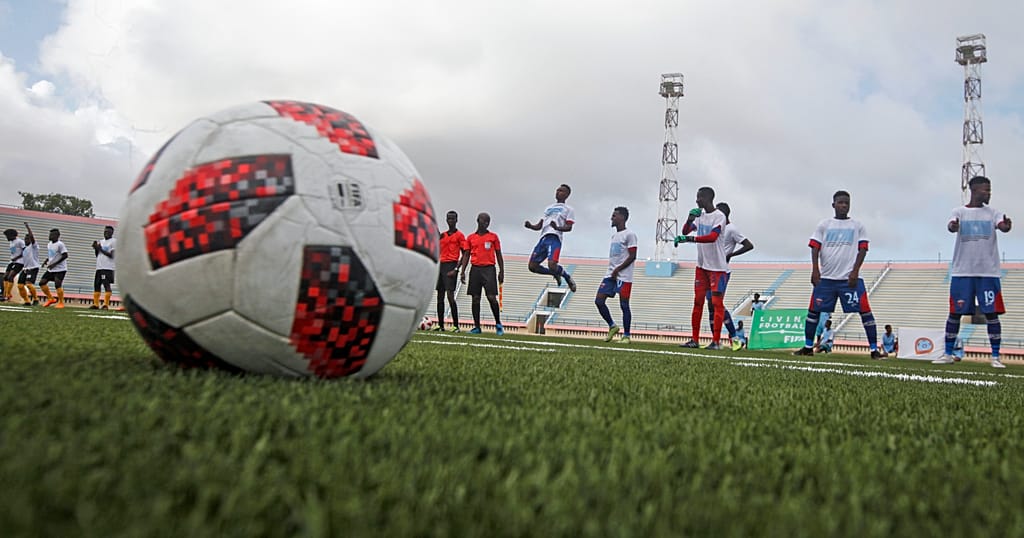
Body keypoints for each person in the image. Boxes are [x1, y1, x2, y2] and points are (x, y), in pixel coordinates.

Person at [932, 176, 1012, 368]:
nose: (989, 193)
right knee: (955, 313)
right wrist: (954, 226)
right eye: (986, 190)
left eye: (989, 190)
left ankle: (995, 357)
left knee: (992, 314)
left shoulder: (993, 213)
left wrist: (1006, 226)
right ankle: (948, 354)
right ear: (974, 191)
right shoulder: (959, 211)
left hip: (988, 272)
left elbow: (1003, 226)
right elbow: (952, 225)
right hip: (962, 271)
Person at [793, 190, 881, 358]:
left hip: (848, 279)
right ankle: (808, 347)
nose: (844, 206)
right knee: (813, 311)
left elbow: (863, 248)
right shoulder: (824, 225)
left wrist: (855, 271)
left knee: (865, 311)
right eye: (840, 202)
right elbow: (815, 247)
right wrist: (815, 269)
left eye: (847, 203)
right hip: (826, 278)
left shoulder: (857, 225)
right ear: (833, 205)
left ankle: (874, 350)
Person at [674, 186, 729, 349]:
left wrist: (690, 239)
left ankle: (716, 341)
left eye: (700, 198)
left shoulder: (719, 216)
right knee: (698, 302)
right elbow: (685, 230)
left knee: (716, 303)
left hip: (717, 267)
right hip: (702, 266)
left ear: (708, 198)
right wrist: (690, 219)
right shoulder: (700, 216)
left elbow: (712, 237)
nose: (697, 200)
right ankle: (695, 339)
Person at [706, 202, 754, 350]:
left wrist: (731, 254)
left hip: (722, 271)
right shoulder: (716, 227)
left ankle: (734, 338)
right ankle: (716, 340)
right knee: (710, 305)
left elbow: (748, 245)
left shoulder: (732, 229)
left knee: (716, 304)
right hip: (709, 269)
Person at [596, 206, 637, 344]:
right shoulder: (614, 236)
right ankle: (613, 326)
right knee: (599, 301)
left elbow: (632, 256)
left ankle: (626, 336)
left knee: (624, 305)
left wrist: (618, 269)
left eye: (614, 216)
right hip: (610, 274)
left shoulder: (630, 235)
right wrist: (613, 270)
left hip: (624, 276)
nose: (611, 218)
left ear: (622, 218)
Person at [524, 184, 577, 292]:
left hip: (554, 238)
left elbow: (569, 227)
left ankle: (567, 277)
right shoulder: (549, 208)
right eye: (557, 190)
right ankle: (554, 273)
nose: (558, 192)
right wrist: (530, 226)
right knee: (532, 266)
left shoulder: (568, 209)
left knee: (552, 264)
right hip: (543, 238)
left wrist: (557, 227)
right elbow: (540, 225)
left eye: (561, 191)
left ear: (567, 195)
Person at [460, 212, 505, 335]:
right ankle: (477, 327)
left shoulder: (493, 237)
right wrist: (463, 271)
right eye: (483, 221)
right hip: (475, 269)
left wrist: (502, 271)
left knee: (491, 297)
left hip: (489, 269)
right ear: (478, 221)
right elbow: (466, 255)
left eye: (487, 222)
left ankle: (498, 323)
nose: (485, 223)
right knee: (475, 298)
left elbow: (498, 254)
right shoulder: (470, 238)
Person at [434, 211, 468, 332]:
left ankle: (455, 325)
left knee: (450, 296)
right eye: (449, 219)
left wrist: (456, 269)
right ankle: (441, 325)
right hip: (441, 265)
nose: (450, 221)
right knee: (440, 296)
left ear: (456, 220)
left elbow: (464, 254)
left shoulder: (460, 236)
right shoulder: (442, 236)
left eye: (453, 219)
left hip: (451, 265)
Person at [38, 228, 69, 309]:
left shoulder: (60, 244)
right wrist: (46, 260)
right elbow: (52, 255)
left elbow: (65, 255)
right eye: (49, 234)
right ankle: (51, 298)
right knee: (42, 283)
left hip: (60, 269)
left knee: (57, 284)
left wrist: (54, 264)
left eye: (51, 234)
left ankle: (61, 302)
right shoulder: (49, 244)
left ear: (57, 236)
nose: (50, 236)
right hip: (51, 268)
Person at [90, 225, 116, 309]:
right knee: (97, 285)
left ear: (112, 233)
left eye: (108, 232)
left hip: (107, 267)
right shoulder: (101, 241)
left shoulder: (113, 242)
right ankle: (96, 304)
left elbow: (112, 255)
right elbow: (97, 255)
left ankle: (106, 304)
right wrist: (96, 249)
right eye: (105, 232)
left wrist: (100, 249)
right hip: (99, 267)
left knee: (106, 285)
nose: (106, 233)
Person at [17, 224, 40, 306]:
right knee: (20, 285)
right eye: (25, 239)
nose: (26, 240)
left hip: (33, 268)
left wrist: (28, 228)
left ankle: (36, 299)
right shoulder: (25, 249)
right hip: (25, 268)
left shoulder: (34, 246)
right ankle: (27, 301)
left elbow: (32, 237)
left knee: (29, 284)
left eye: (28, 239)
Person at [3, 228, 25, 302]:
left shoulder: (20, 241)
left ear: (12, 235)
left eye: (7, 236)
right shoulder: (11, 242)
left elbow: (25, 251)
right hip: (12, 261)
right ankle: (6, 294)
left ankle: (8, 294)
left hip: (19, 262)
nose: (7, 238)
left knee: (10, 276)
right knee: (5, 277)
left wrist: (17, 257)